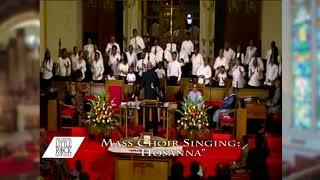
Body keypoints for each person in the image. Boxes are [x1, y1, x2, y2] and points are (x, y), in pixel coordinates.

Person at [140, 62, 160, 135]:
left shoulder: (144, 74)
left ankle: (147, 129)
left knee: (147, 113)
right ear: (151, 67)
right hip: (153, 96)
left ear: (146, 67)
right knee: (154, 114)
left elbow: (142, 85)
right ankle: (155, 131)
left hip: (147, 97)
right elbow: (158, 84)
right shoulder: (155, 74)